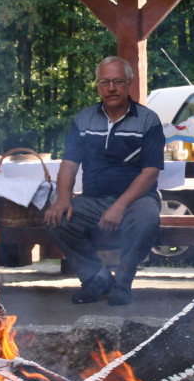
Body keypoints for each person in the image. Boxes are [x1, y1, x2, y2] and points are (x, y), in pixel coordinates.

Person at [44, 56, 164, 306]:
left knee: (146, 220)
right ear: (98, 86)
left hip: (137, 200)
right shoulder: (83, 120)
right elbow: (69, 164)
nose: (111, 88)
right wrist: (63, 198)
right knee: (57, 219)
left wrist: (119, 206)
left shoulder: (148, 120)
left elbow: (150, 172)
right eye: (105, 82)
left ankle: (122, 282)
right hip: (93, 200)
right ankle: (96, 279)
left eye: (118, 81)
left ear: (129, 84)